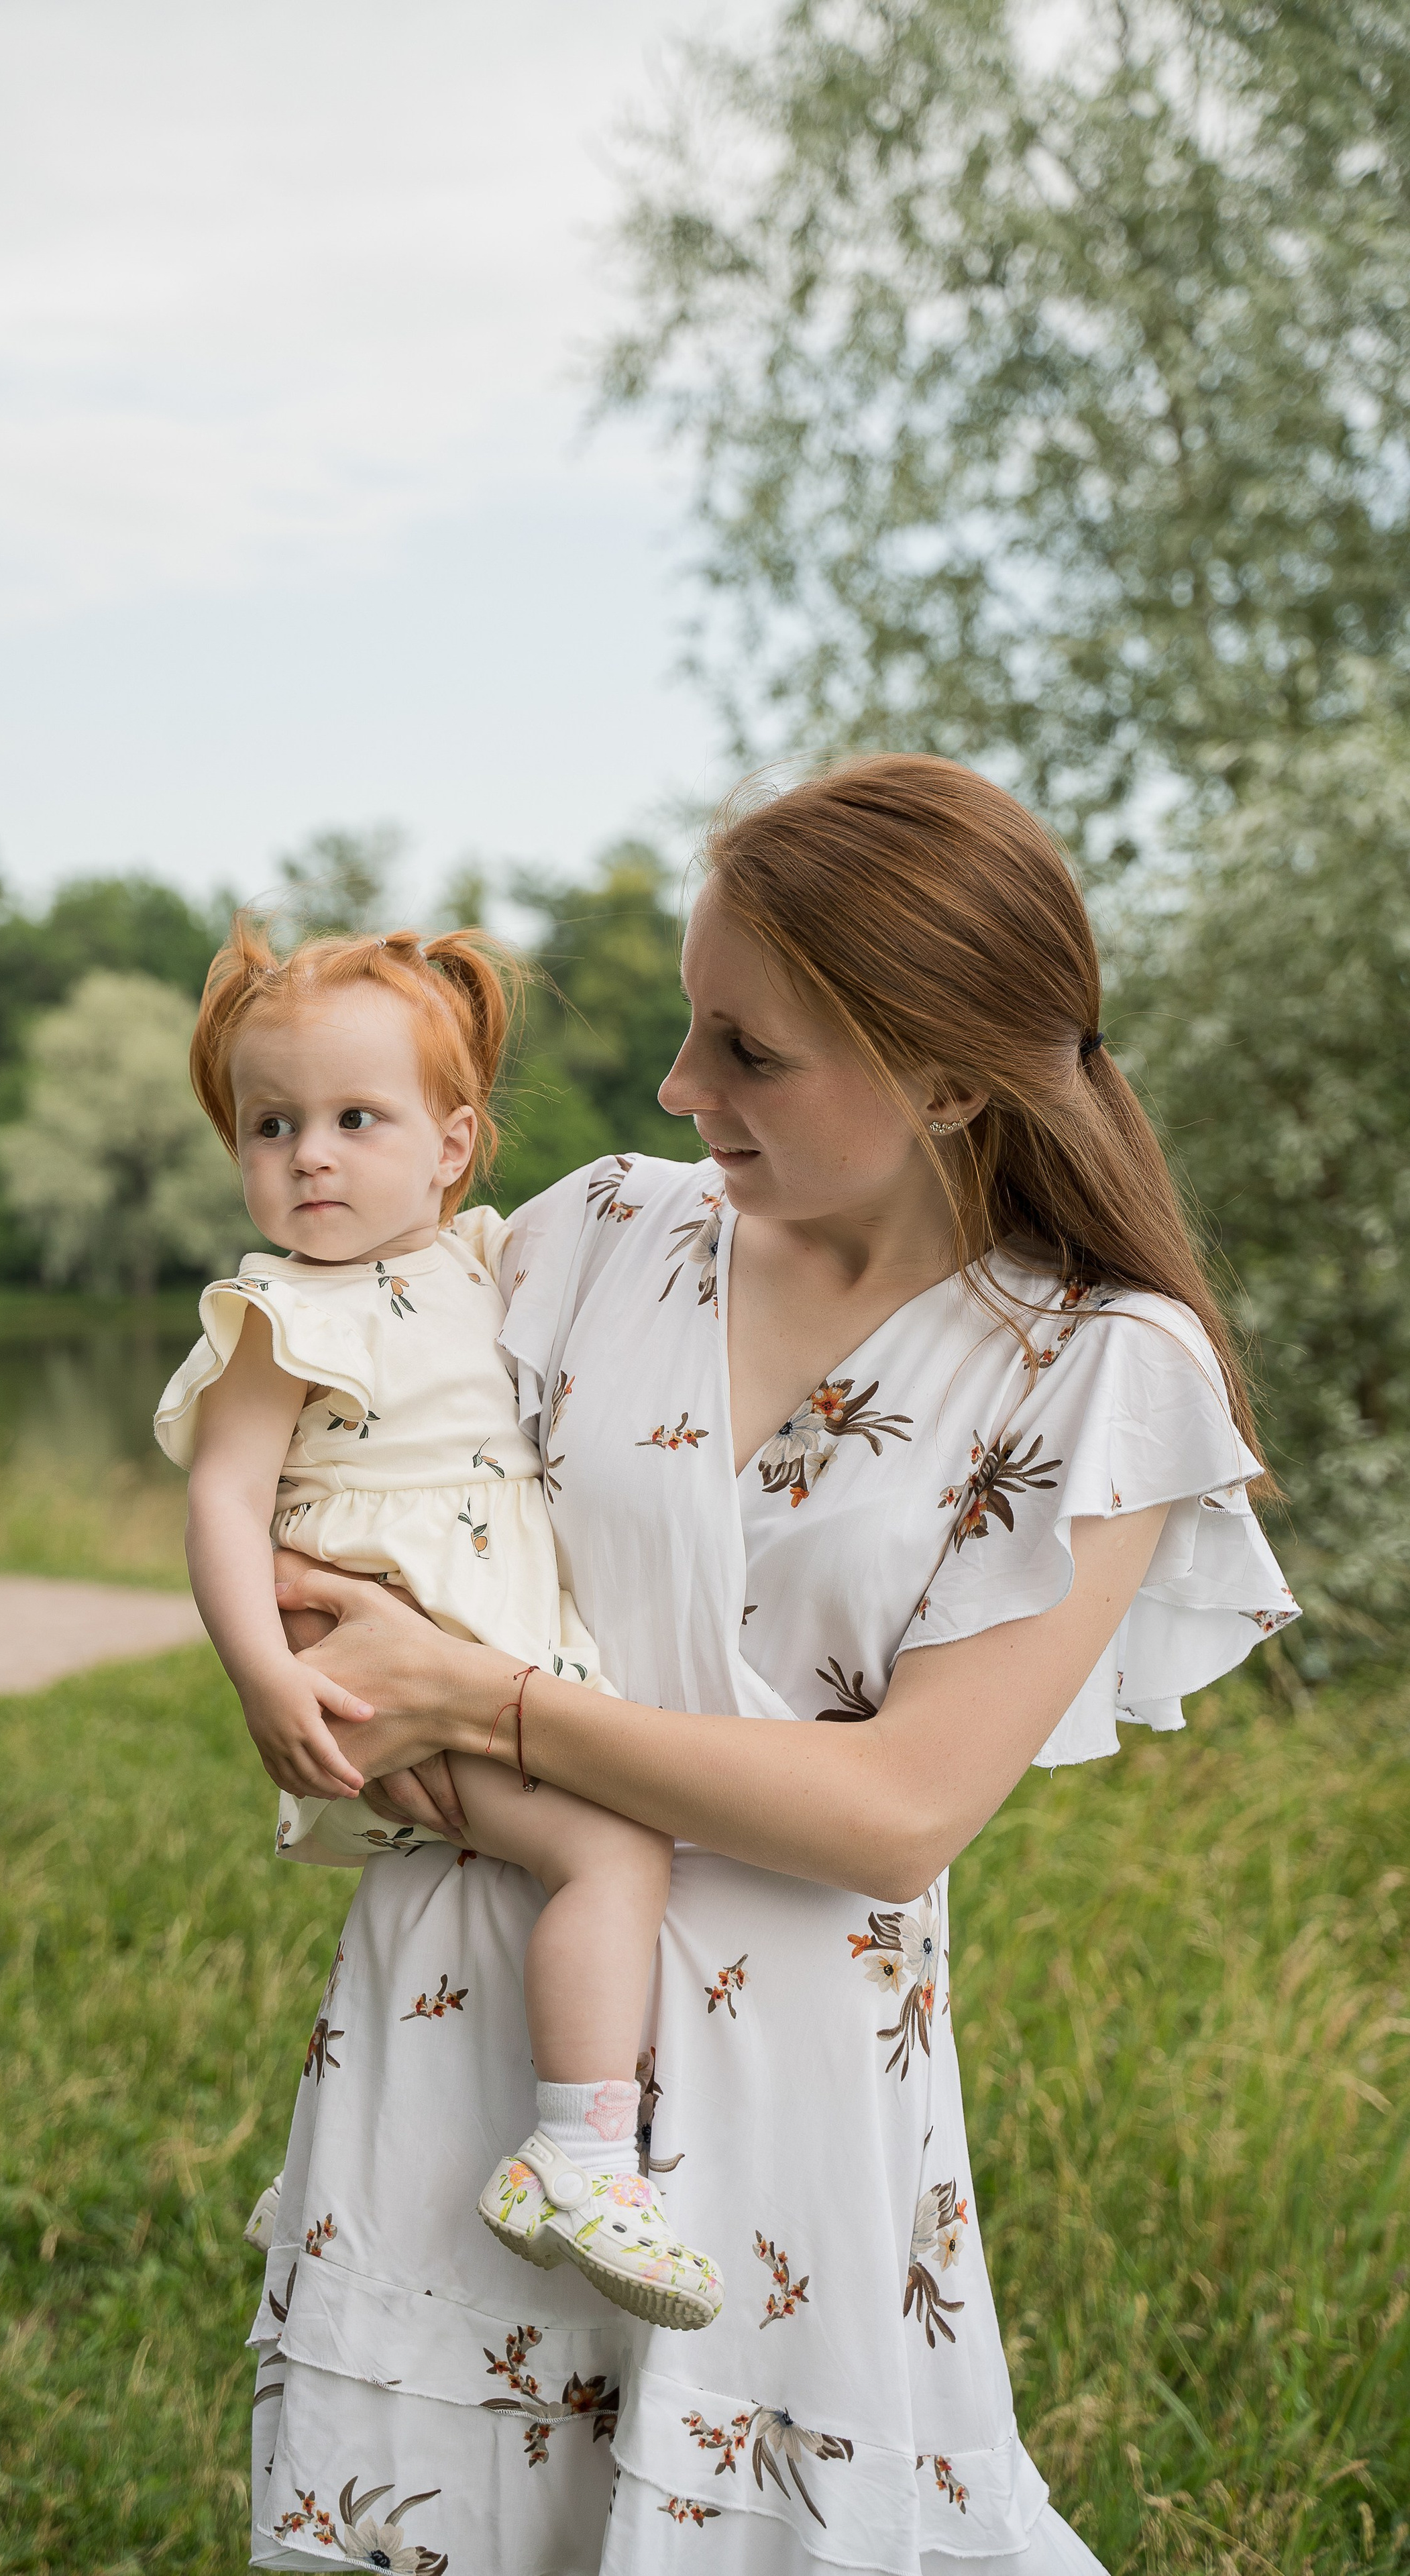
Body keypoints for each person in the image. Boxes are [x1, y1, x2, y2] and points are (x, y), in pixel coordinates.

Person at [241, 755, 1300, 2576]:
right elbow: (357, 1508)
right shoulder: (588, 1235)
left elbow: (898, 1812)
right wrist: (326, 1648)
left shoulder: (1098, 1372)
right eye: (686, 1026)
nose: (678, 1088)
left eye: (749, 1049)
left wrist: (482, 1705)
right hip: (468, 2021)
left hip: (787, 2092)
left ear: (951, 1073)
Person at [154, 921, 724, 2333]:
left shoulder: (479, 1259)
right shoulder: (278, 1314)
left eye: (357, 1119)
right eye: (269, 1125)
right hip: (389, 1673)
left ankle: (339, 2178)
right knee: (611, 1848)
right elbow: (224, 1505)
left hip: (482, 1656)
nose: (308, 1157)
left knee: (490, 1914)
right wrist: (261, 1679)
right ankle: (582, 2153)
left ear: (453, 1146)